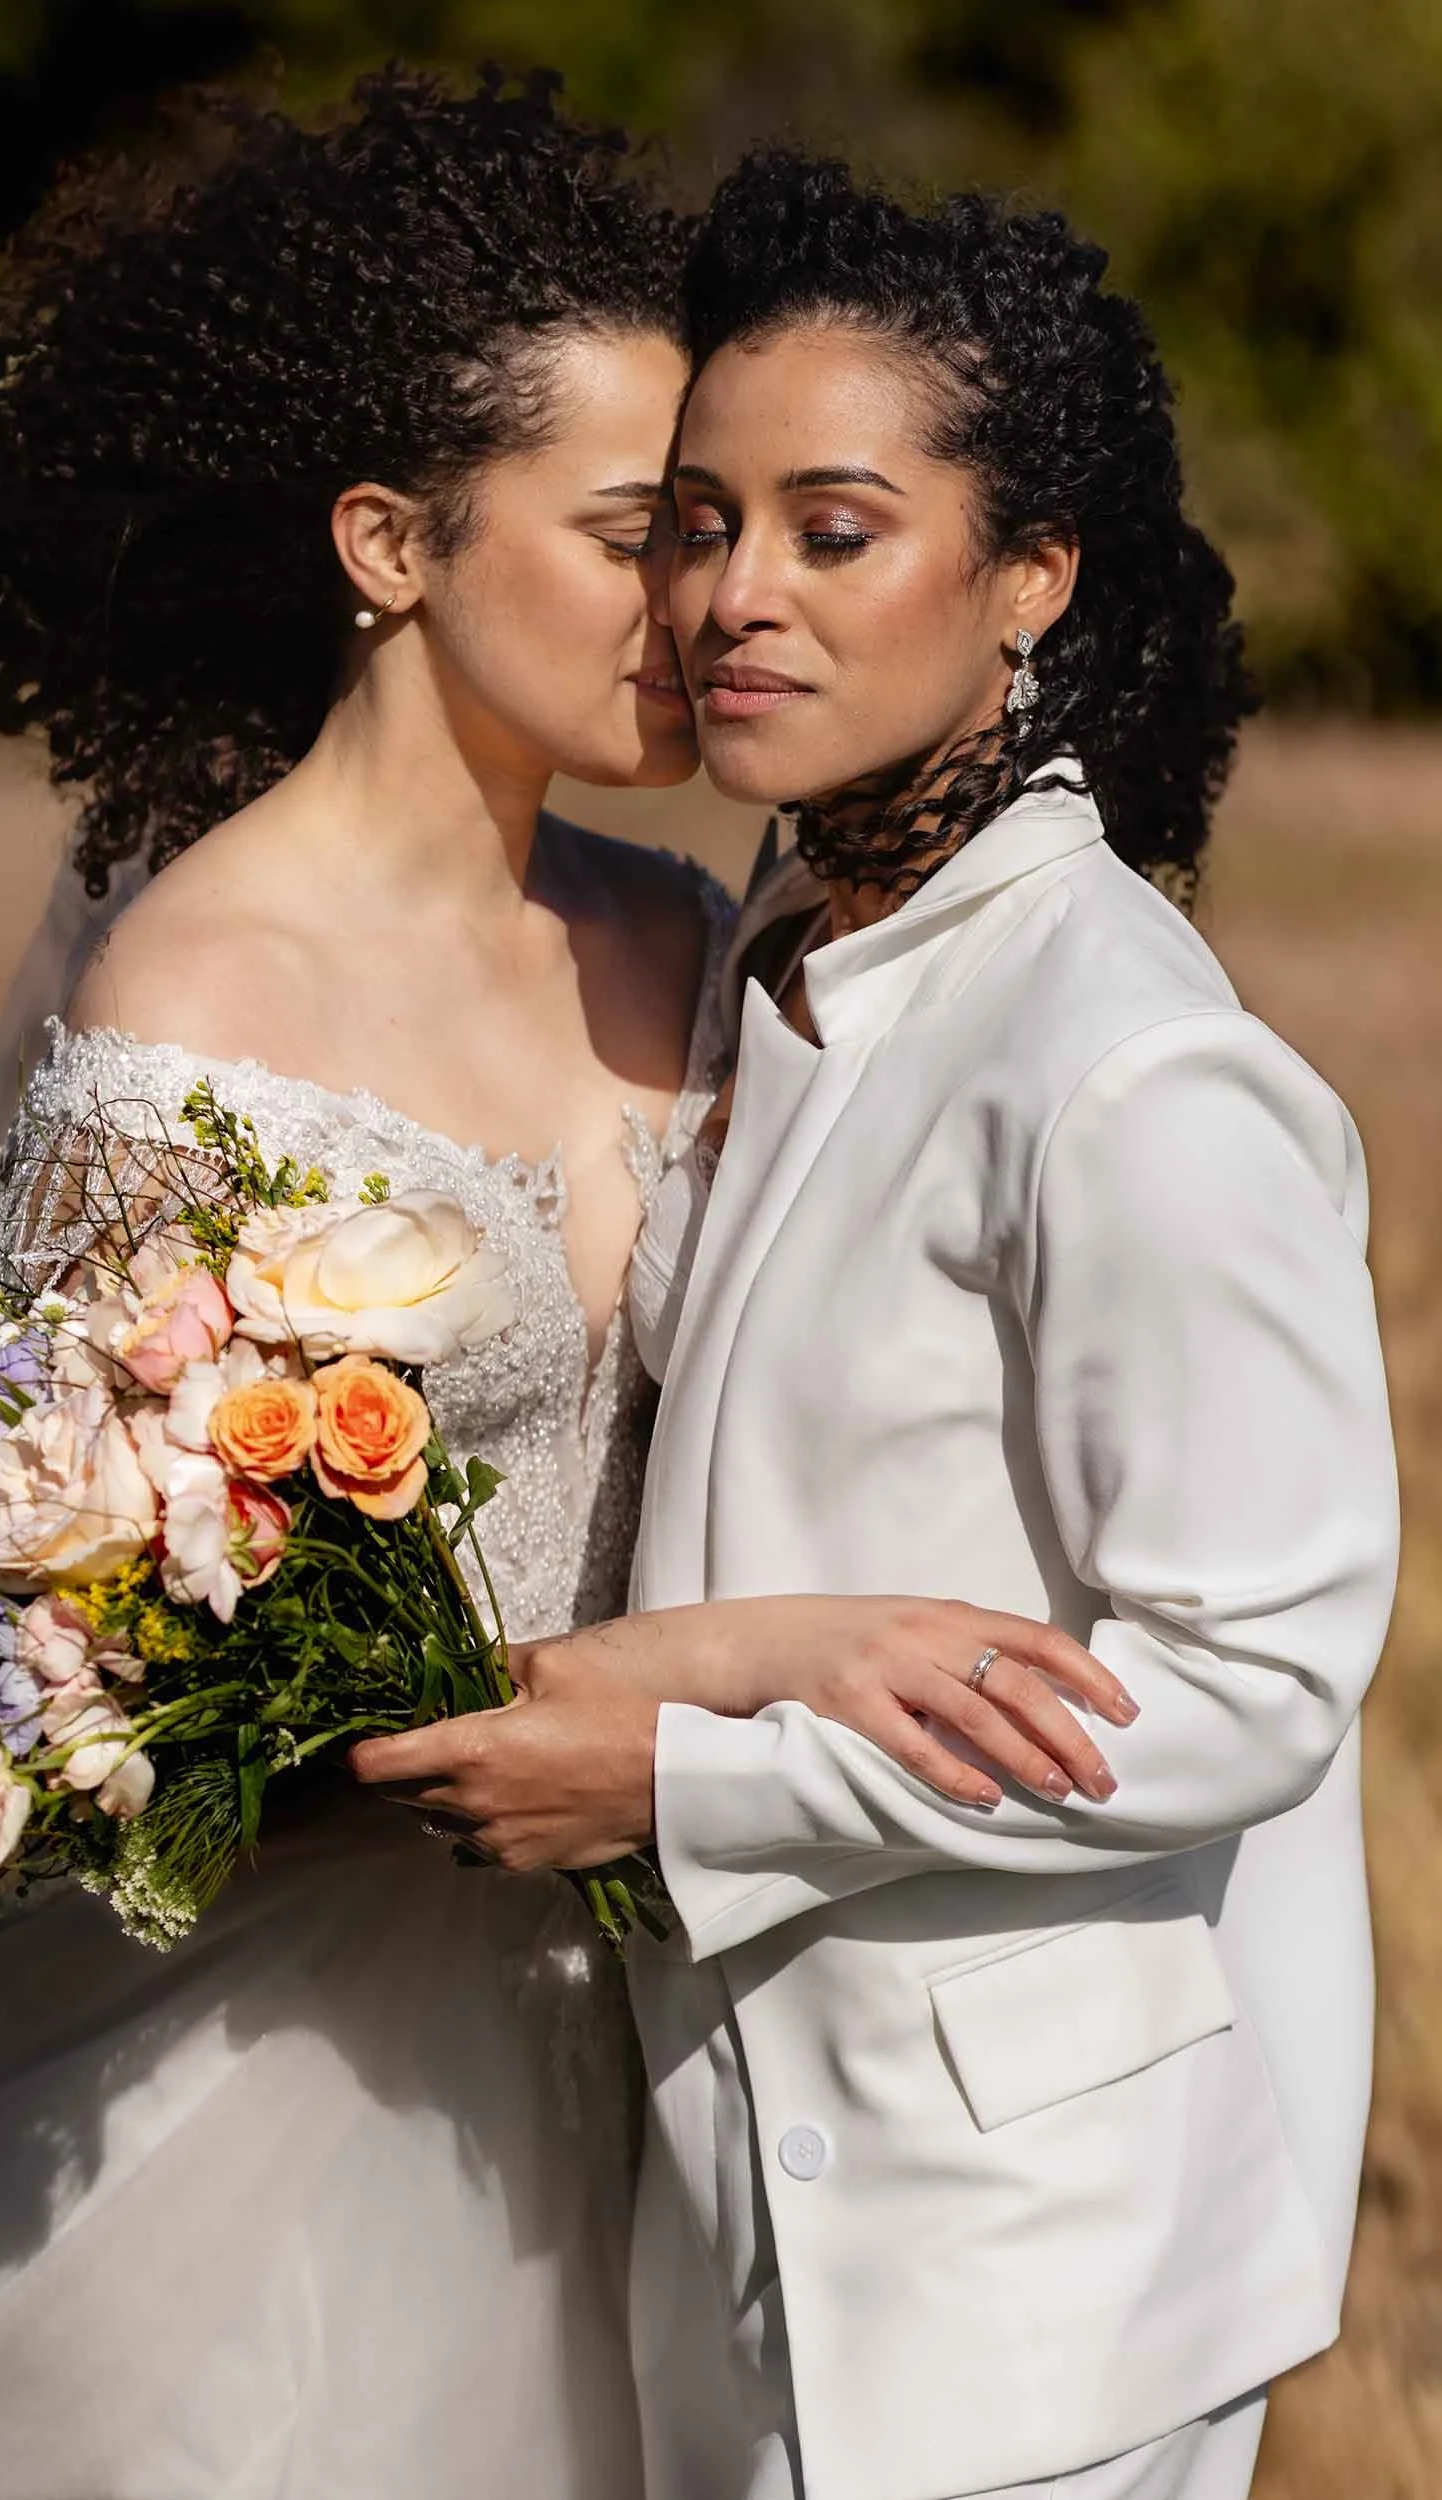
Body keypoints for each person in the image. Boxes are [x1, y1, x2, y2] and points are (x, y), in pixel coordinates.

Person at [0, 81, 1124, 2499]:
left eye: (719, 528)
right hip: (247, 2092)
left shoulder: (678, 929)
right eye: (635, 532)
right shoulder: (200, 1003)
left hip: (647, 2022)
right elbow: (122, 1718)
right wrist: (701, 1667)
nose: (701, 600)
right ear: (389, 542)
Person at [361, 157, 1400, 2500]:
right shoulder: (786, 949)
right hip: (740, 2190)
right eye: (695, 523)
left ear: (1025, 578)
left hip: (1032, 2262)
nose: (732, 595)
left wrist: (675, 1778)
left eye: (836, 531)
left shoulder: (1127, 1063)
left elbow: (1248, 1683)